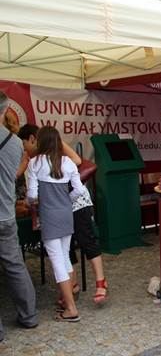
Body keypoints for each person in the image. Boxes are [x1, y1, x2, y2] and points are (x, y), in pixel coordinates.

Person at [17, 124, 108, 305]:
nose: (24, 148)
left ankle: (99, 282)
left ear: (33, 139)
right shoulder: (34, 159)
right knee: (66, 252)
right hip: (63, 206)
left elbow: (78, 161)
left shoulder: (54, 149)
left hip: (73, 205)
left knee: (83, 242)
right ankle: (71, 286)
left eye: (24, 143)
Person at [26, 126, 86, 322]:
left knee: (57, 261)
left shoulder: (34, 163)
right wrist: (66, 199)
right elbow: (79, 190)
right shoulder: (68, 162)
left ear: (40, 141)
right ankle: (70, 299)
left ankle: (70, 308)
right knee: (65, 257)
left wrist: (33, 201)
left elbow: (32, 195)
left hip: (50, 216)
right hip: (66, 214)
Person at [0, 94, 38, 342]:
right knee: (15, 266)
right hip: (5, 214)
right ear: (5, 110)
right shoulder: (15, 143)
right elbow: (13, 175)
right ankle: (29, 315)